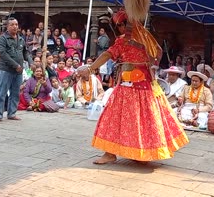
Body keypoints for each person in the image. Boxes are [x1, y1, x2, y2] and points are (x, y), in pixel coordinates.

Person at [77, 9, 188, 164]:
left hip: (129, 88)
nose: (119, 30)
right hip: (146, 86)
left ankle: (113, 153)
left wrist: (90, 68)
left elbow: (107, 54)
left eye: (119, 26)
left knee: (114, 118)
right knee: (144, 121)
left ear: (124, 25)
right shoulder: (147, 39)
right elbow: (158, 53)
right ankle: (139, 154)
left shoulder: (124, 40)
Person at [0, 17, 33, 123]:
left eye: (16, 24)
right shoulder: (3, 39)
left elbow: (25, 52)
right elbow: (3, 54)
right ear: (7, 26)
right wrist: (15, 65)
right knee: (2, 93)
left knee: (15, 93)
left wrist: (31, 62)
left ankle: (12, 113)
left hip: (18, 71)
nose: (15, 26)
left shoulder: (20, 39)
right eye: (12, 25)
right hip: (6, 70)